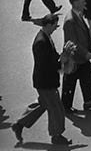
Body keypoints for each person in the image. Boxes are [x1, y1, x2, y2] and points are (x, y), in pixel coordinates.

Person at [11, 13, 72, 146]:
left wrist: (62, 55)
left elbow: (52, 56)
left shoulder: (46, 37)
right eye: (55, 26)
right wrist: (61, 61)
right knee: (56, 108)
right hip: (45, 81)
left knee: (43, 104)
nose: (56, 28)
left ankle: (20, 124)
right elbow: (45, 64)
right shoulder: (41, 42)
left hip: (45, 80)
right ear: (48, 25)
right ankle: (56, 136)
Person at [61, 0, 91, 113]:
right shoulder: (70, 20)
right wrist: (85, 53)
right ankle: (66, 106)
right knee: (70, 83)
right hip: (75, 58)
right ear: (75, 2)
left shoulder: (78, 14)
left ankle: (88, 102)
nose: (85, 2)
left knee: (88, 79)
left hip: (83, 58)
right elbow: (72, 42)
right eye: (82, 0)